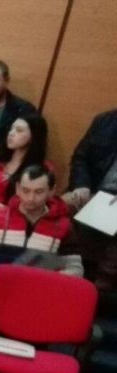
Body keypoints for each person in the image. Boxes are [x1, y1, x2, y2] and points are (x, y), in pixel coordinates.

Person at [0, 165, 83, 276]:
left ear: (51, 191)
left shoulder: (64, 226)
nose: (30, 198)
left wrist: (50, 279)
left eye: (39, 192)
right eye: (25, 190)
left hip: (37, 284)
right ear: (17, 188)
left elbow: (75, 269)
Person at [65, 107, 117, 289]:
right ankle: (60, 267)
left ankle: (100, 284)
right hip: (94, 191)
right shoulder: (104, 120)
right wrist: (81, 184)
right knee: (56, 206)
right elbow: (80, 157)